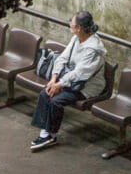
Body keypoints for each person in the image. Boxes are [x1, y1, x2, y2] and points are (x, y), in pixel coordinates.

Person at [30, 10, 106, 151]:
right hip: (69, 80)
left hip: (86, 87)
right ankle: (45, 134)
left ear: (79, 28)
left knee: (55, 100)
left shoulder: (94, 49)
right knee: (45, 93)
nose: (70, 23)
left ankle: (50, 134)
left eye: (72, 22)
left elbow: (81, 73)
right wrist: (53, 79)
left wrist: (60, 84)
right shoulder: (77, 38)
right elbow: (62, 58)